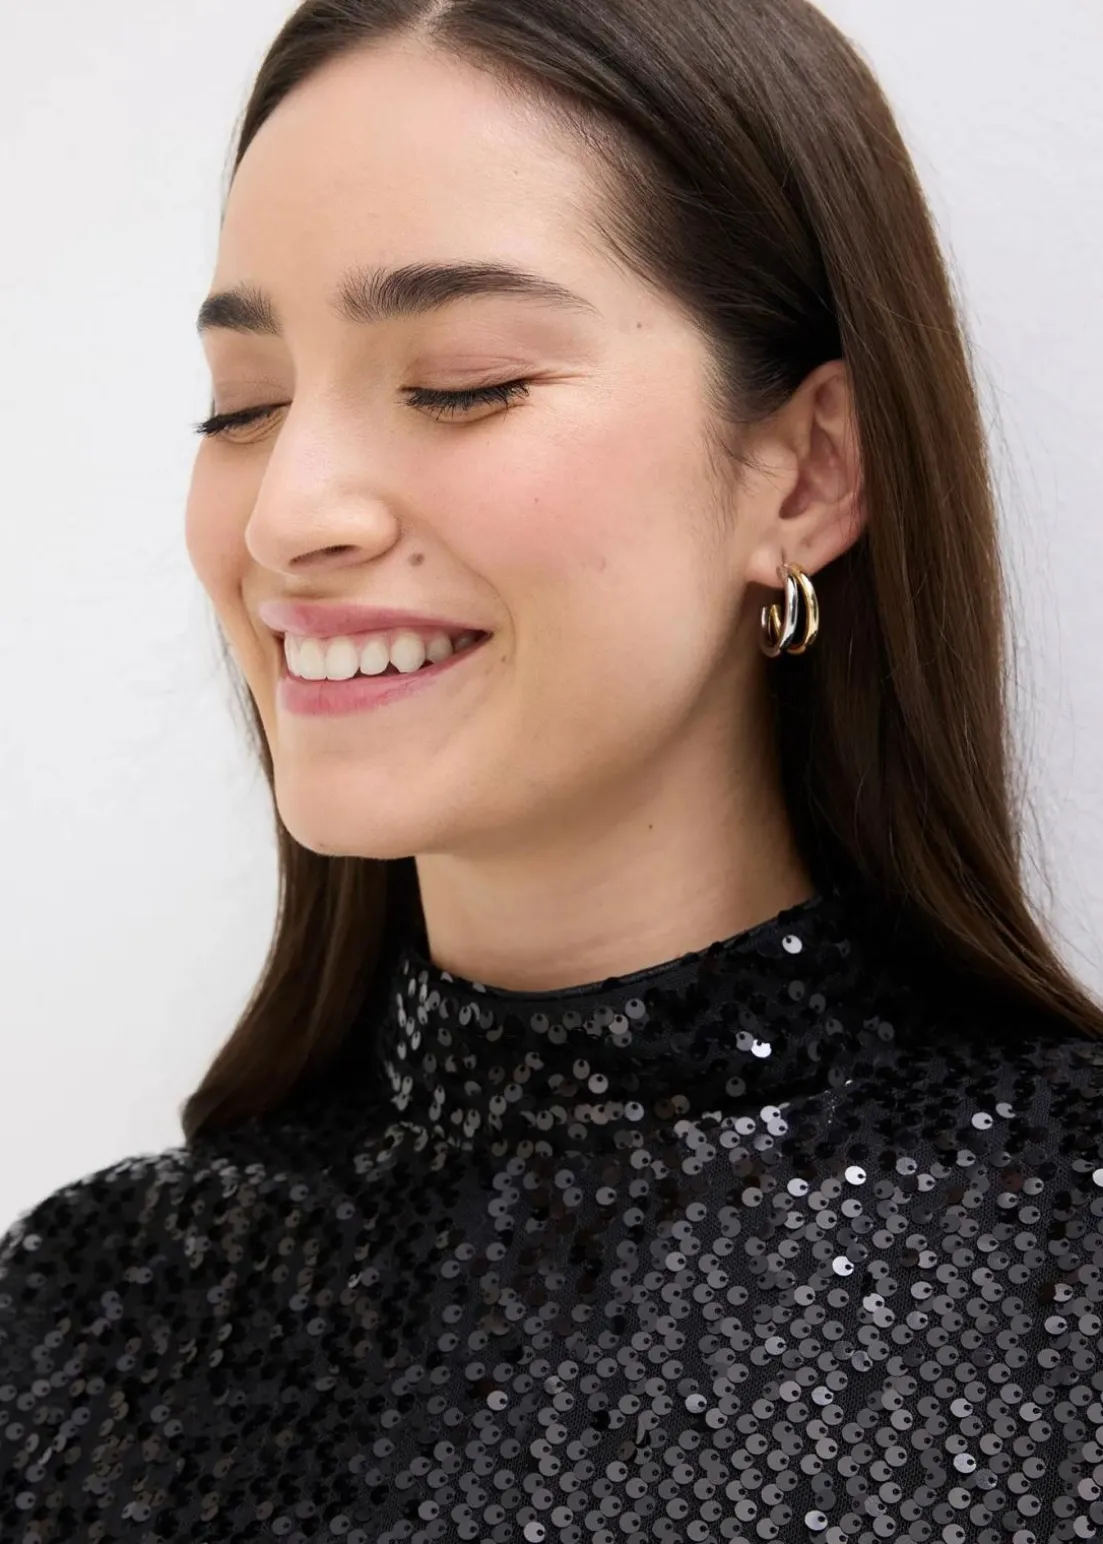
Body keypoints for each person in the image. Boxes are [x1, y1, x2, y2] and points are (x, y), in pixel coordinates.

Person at [3, 0, 1102, 1539]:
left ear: (806, 472)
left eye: (462, 383)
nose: (287, 515)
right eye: (241, 404)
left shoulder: (1068, 1258)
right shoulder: (99, 1332)